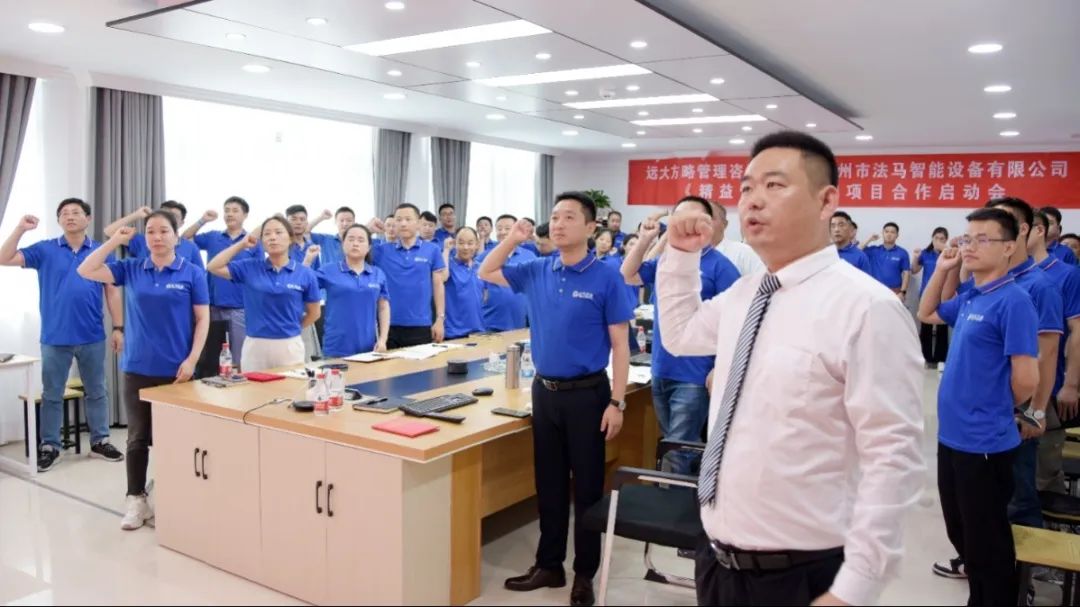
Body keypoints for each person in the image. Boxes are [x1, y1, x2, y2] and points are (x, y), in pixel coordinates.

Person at [657, 131, 924, 606]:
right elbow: (680, 335)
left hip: (802, 575)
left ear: (826, 202)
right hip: (717, 559)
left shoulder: (866, 308)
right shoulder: (746, 293)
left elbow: (893, 455)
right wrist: (679, 256)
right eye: (746, 188)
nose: (753, 200)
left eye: (775, 185)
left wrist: (856, 588)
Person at [480, 191, 633, 607]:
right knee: (547, 484)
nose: (559, 224)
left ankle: (584, 573)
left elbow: (621, 346)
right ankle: (549, 565)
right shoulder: (537, 269)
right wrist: (513, 238)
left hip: (588, 395)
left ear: (591, 227)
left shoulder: (606, 276)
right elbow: (487, 269)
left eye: (569, 217)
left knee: (587, 488)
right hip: (545, 393)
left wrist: (616, 402)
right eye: (555, 216)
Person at [917, 208, 1039, 605]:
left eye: (982, 239)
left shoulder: (1013, 300)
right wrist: (943, 269)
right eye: (967, 238)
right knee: (963, 533)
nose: (970, 246)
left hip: (983, 442)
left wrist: (992, 408)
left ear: (1009, 247)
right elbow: (927, 312)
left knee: (988, 544)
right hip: (953, 437)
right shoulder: (973, 294)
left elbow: (1027, 378)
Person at [76, 212, 210, 531]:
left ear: (176, 236)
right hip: (137, 367)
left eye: (164, 231)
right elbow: (86, 269)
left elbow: (202, 319)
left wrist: (192, 360)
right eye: (150, 231)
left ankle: (174, 496)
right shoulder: (132, 267)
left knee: (174, 438)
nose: (157, 237)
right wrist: (114, 241)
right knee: (137, 438)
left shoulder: (192, 272)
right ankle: (136, 500)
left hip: (177, 371)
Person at [0, 199, 126, 472]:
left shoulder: (102, 251)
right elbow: (3, 258)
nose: (70, 217)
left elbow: (112, 291)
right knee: (52, 394)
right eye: (64, 213)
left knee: (97, 391)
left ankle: (100, 441)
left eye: (76, 212)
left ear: (88, 219)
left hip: (92, 335)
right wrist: (20, 229)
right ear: (58, 221)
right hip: (55, 337)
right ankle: (50, 446)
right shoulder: (45, 249)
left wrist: (118, 328)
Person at [622, 196, 740, 475]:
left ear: (710, 224)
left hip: (695, 374)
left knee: (678, 449)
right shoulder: (668, 259)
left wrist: (719, 368)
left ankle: (671, 498)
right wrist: (646, 238)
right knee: (672, 443)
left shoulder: (721, 266)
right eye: (679, 217)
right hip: (661, 367)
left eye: (693, 218)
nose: (686, 224)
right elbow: (628, 274)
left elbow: (735, 324)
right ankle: (686, 494)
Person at [206, 216, 321, 371]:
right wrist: (241, 244)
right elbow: (213, 266)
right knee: (253, 386)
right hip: (255, 345)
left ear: (290, 238)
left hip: (289, 344)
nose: (272, 237)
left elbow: (314, 313)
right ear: (261, 241)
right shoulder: (250, 267)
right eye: (267, 234)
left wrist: (292, 327)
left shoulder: (305, 273)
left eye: (278, 232)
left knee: (290, 386)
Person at [1028, 210, 1080, 498]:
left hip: (1049, 384)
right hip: (1012, 387)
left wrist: (1071, 384)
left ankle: (1049, 519)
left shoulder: (1066, 274)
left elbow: (1077, 331)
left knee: (1045, 470)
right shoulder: (1010, 274)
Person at [183, 196, 258, 369]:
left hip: (240, 308)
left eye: (235, 210)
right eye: (227, 210)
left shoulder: (252, 242)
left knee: (239, 360)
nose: (229, 214)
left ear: (245, 215)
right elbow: (185, 239)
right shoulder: (213, 237)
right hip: (213, 307)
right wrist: (203, 220)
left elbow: (257, 273)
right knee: (213, 359)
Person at [370, 203, 447, 348]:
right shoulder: (382, 251)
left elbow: (438, 285)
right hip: (388, 325)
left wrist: (440, 319)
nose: (403, 223)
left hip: (420, 324)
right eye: (398, 220)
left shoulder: (432, 250)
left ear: (418, 223)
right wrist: (368, 230)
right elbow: (353, 251)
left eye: (408, 219)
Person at [313, 224, 389, 357]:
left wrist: (383, 340)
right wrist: (308, 260)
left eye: (361, 240)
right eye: (351, 239)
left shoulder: (378, 274)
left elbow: (383, 307)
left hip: (368, 347)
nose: (355, 244)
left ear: (369, 247)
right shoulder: (328, 270)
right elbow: (303, 285)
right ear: (343, 244)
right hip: (336, 348)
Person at [477, 214, 536, 332]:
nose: (503, 232)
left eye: (507, 228)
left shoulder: (530, 256)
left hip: (521, 322)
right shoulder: (485, 257)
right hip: (489, 322)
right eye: (499, 229)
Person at [104, 201, 205, 268]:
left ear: (181, 223)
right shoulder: (143, 241)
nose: (168, 219)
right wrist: (137, 215)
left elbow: (200, 279)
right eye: (165, 215)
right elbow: (109, 231)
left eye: (174, 216)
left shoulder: (191, 248)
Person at [284, 205, 321, 360]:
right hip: (288, 305)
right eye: (293, 219)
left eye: (302, 219)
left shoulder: (312, 247)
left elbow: (316, 277)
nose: (298, 222)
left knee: (307, 355)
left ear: (307, 222)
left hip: (308, 306)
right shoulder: (283, 246)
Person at [911, 227, 950, 368]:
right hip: (926, 294)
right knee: (926, 326)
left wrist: (946, 249)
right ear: (932, 239)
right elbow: (914, 270)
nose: (938, 241)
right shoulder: (925, 254)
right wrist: (915, 257)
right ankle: (925, 357)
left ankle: (941, 359)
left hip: (944, 295)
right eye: (936, 238)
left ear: (946, 240)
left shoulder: (949, 253)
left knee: (942, 327)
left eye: (942, 239)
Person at [440, 227, 485, 339]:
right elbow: (442, 277)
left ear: (477, 245)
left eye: (470, 243)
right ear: (455, 244)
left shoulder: (480, 267)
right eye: (461, 243)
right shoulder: (449, 264)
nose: (465, 247)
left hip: (479, 331)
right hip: (453, 332)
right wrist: (446, 250)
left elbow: (485, 296)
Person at [861, 222, 911, 298]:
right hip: (874, 290)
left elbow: (906, 273)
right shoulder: (873, 250)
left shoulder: (902, 252)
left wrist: (903, 292)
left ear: (897, 235)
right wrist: (870, 239)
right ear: (883, 233)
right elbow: (857, 250)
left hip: (895, 291)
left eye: (892, 232)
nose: (889, 234)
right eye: (886, 231)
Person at [712, 204, 764, 276]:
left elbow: (762, 279)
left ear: (725, 224)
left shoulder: (744, 252)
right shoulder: (695, 255)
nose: (704, 223)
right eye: (700, 219)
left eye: (710, 217)